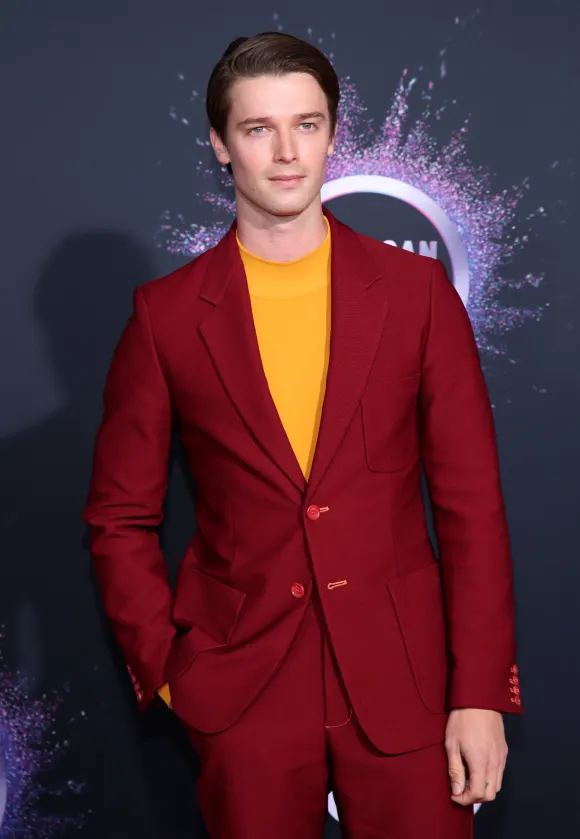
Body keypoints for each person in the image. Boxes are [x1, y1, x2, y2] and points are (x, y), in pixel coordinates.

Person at [83, 31, 523, 839]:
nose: (287, 153)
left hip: (409, 684)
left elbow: (471, 506)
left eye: (307, 125)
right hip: (243, 688)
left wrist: (480, 692)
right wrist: (178, 677)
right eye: (258, 129)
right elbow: (118, 517)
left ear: (331, 133)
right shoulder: (167, 316)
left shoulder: (417, 292)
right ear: (220, 144)